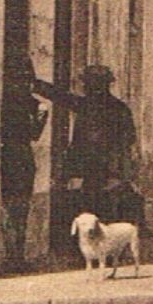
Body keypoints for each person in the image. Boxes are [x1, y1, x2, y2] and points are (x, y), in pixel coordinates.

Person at [41, 64, 143, 231]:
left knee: (95, 209)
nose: (86, 87)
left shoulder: (95, 106)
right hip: (98, 168)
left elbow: (127, 141)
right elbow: (129, 139)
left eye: (89, 83)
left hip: (101, 168)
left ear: (98, 84)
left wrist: (117, 171)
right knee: (96, 210)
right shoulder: (118, 108)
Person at [0, 54, 50, 269]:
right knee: (11, 208)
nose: (23, 83)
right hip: (9, 156)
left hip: (21, 157)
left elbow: (34, 135)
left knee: (20, 208)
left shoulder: (31, 103)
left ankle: (16, 256)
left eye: (26, 78)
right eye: (18, 78)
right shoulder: (4, 100)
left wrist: (41, 116)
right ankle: (12, 255)